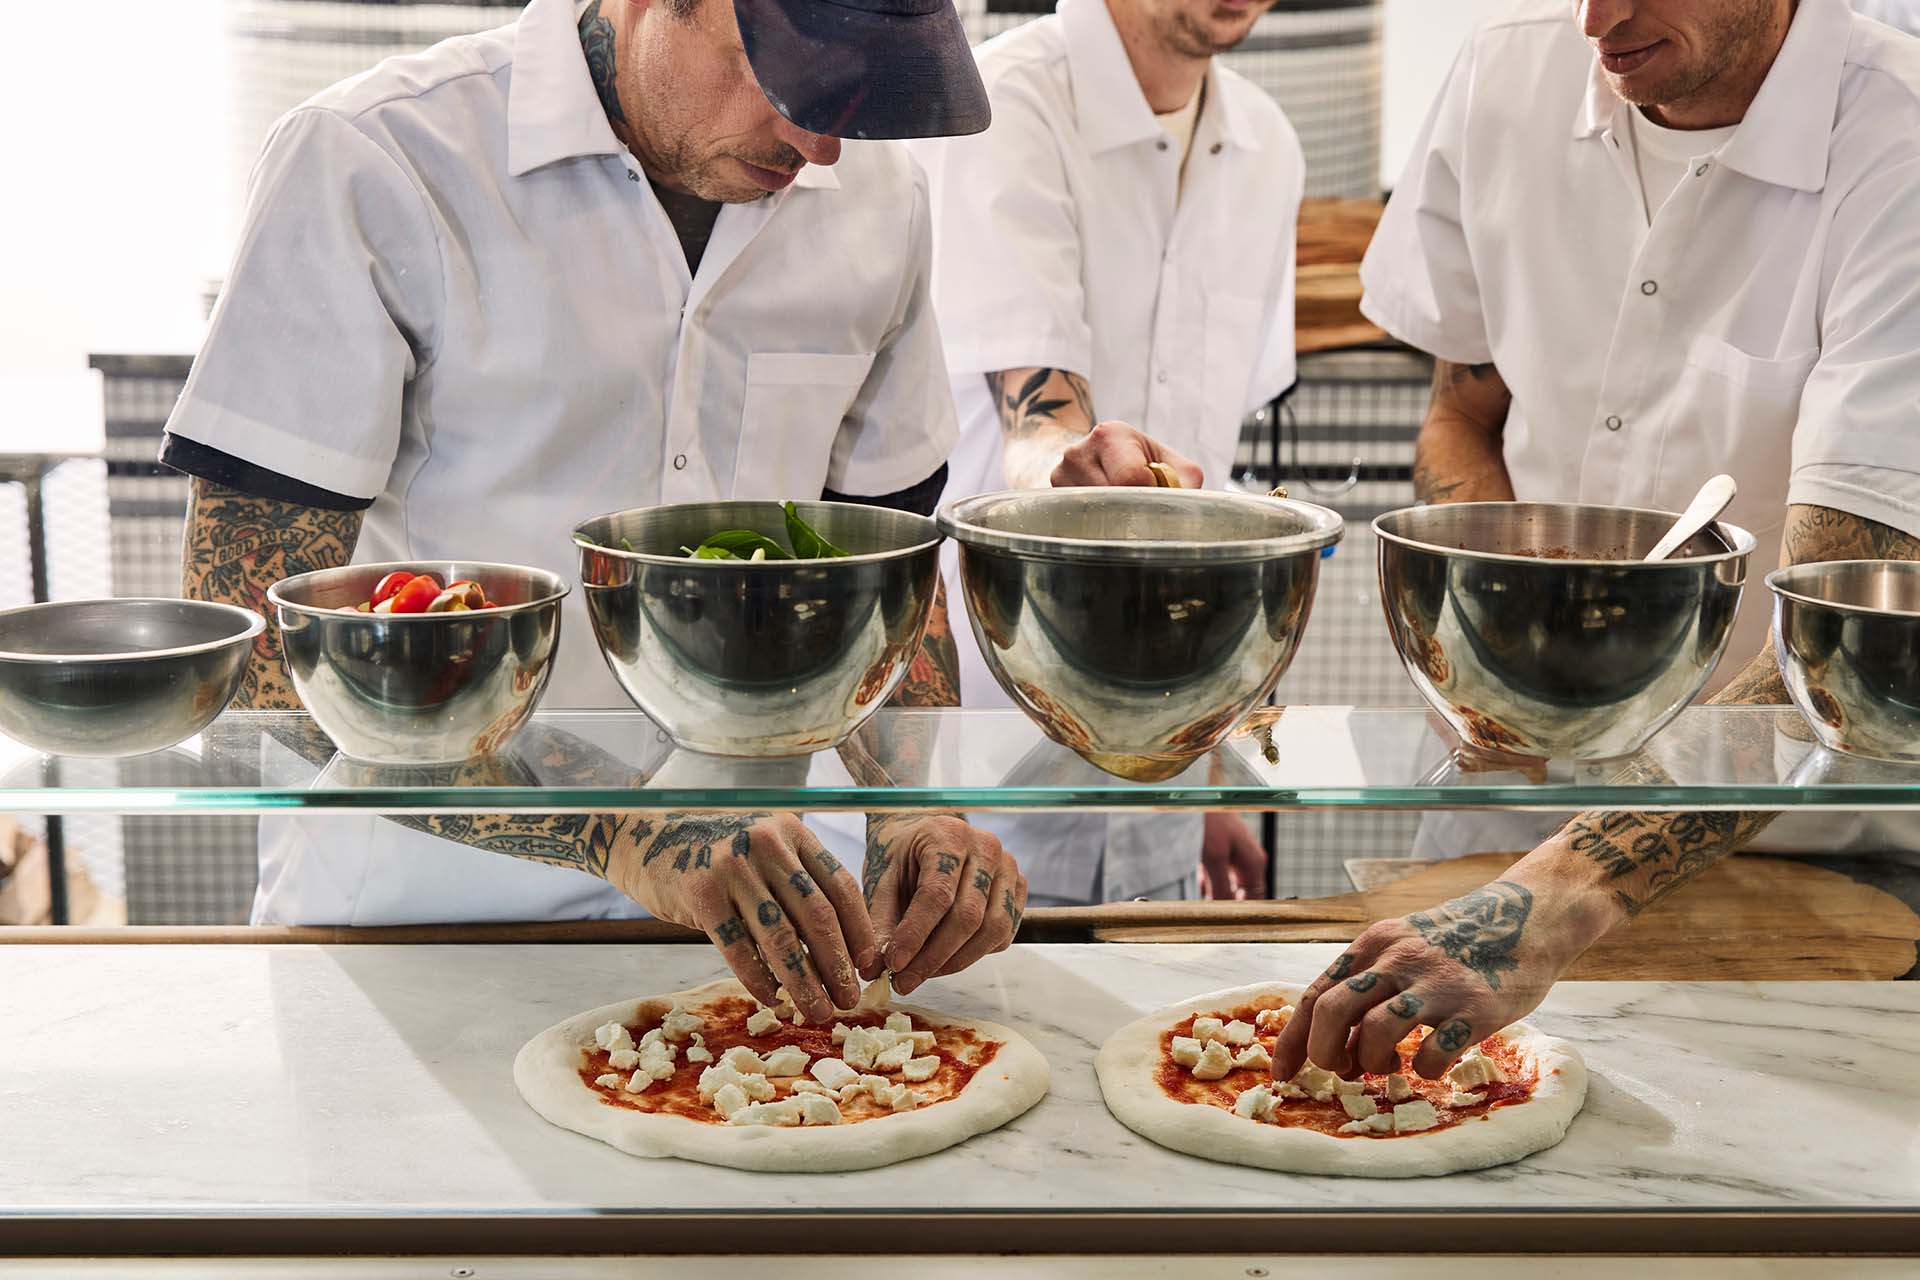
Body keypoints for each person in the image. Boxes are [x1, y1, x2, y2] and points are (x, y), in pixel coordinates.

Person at [160, 0, 1025, 1025]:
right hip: (406, 941)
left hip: (746, 959)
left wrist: (910, 812)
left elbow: (891, 576)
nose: (820, 139)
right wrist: (609, 823)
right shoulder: (379, 160)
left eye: (857, 94)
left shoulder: (882, 205)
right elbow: (253, 647)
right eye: (792, 76)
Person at [1274, 0, 1920, 1081]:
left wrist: (1555, 895)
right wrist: (1496, 673)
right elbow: (1462, 415)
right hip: (1495, 828)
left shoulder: (1897, 142)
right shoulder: (1503, 75)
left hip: (1797, 869)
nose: (1596, 20)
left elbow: (1836, 647)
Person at [907, 0, 1302, 904]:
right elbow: (1037, 419)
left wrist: (1206, 772)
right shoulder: (1002, 100)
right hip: (981, 761)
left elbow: (1214, 454)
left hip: (1165, 762)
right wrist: (1071, 471)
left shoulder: (1267, 147)